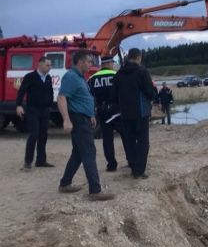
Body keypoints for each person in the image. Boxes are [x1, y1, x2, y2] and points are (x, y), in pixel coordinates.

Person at [57, 51, 115, 201]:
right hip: (78, 120)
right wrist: (66, 120)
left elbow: (82, 98)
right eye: (89, 62)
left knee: (78, 153)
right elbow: (62, 98)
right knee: (89, 152)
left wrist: (91, 115)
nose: (91, 64)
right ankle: (95, 191)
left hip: (84, 118)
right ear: (80, 62)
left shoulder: (80, 77)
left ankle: (65, 183)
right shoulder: (71, 77)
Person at [113, 48, 156, 179]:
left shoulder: (119, 73)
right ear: (138, 58)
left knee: (130, 141)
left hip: (125, 113)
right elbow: (149, 92)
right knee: (143, 142)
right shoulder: (142, 72)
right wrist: (154, 94)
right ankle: (139, 171)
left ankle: (132, 166)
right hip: (141, 113)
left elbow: (114, 95)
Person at [16, 57, 55, 171]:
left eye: (50, 65)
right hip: (33, 110)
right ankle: (28, 162)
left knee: (43, 135)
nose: (50, 67)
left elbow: (51, 91)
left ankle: (41, 160)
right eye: (48, 65)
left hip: (45, 110)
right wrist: (18, 105)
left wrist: (50, 104)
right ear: (40, 65)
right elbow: (21, 91)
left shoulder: (48, 78)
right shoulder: (30, 77)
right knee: (34, 134)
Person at [87, 57, 122, 171]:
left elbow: (89, 96)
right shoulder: (117, 75)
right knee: (126, 136)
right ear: (109, 63)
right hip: (117, 111)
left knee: (107, 139)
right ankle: (131, 161)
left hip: (102, 111)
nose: (113, 64)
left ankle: (111, 165)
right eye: (112, 62)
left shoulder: (92, 78)